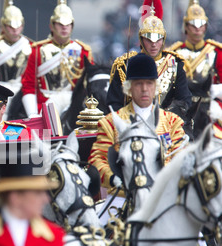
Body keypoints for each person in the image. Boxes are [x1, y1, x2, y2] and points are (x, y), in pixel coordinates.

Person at [89, 53, 185, 194]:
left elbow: (181, 158)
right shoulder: (109, 123)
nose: (145, 89)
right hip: (122, 197)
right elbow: (97, 159)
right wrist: (113, 178)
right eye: (139, 84)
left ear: (156, 87)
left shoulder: (173, 122)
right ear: (129, 87)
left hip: (162, 196)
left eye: (149, 83)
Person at [107, 0, 192, 119]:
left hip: (167, 124)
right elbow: (114, 102)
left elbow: (184, 100)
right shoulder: (124, 65)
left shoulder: (175, 64)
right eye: (149, 39)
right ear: (141, 39)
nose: (154, 44)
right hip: (131, 122)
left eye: (158, 39)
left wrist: (167, 117)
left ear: (163, 39)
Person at [21, 0, 94, 118]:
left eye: (68, 24)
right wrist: (32, 114)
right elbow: (29, 85)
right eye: (60, 24)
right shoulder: (37, 51)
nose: (64, 28)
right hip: (44, 105)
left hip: (74, 104)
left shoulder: (83, 51)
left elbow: (90, 82)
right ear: (52, 26)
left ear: (72, 26)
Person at [167, 0, 222, 139]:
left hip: (209, 105)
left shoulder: (216, 52)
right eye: (193, 24)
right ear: (186, 26)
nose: (198, 29)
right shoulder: (174, 53)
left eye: (201, 24)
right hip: (181, 107)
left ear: (205, 26)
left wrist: (216, 90)